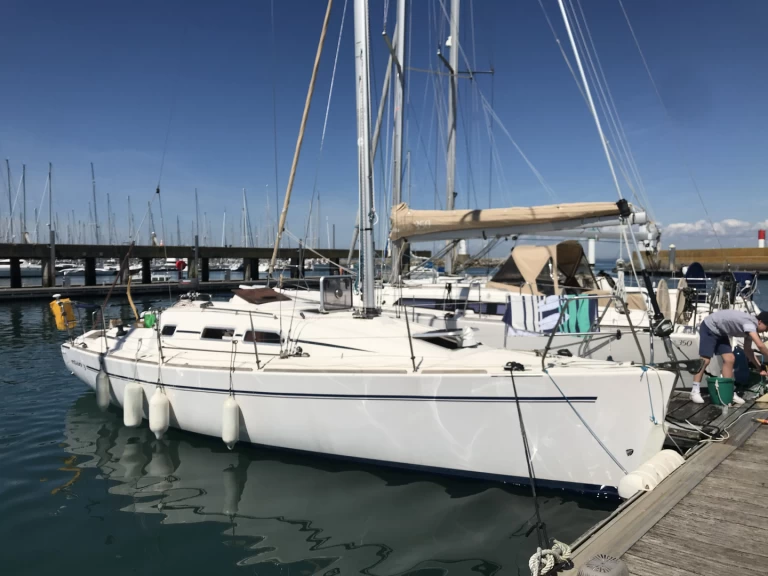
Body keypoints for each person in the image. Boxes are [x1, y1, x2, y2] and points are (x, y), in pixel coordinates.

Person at [691, 310, 768, 404]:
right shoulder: (750, 324)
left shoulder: (751, 329)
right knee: (705, 360)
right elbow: (760, 345)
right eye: (767, 327)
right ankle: (695, 390)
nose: (767, 330)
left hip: (721, 332)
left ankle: (729, 392)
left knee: (730, 359)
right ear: (759, 321)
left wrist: (759, 367)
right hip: (709, 326)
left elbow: (748, 350)